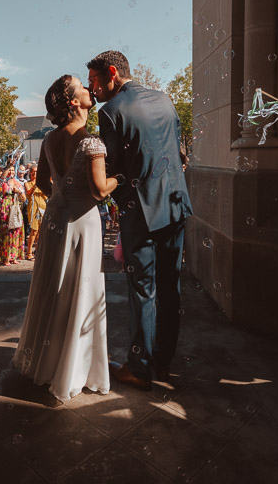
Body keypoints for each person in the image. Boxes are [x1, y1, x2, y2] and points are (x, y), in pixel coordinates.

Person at [88, 50, 192, 391]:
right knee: (169, 288)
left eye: (94, 81)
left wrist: (123, 202)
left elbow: (112, 169)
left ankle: (139, 367)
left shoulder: (112, 111)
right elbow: (180, 154)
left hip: (142, 213)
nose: (93, 89)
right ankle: (163, 362)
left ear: (112, 73)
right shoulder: (164, 99)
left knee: (143, 290)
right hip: (176, 208)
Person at [11, 75, 118, 401]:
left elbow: (42, 183)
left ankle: (45, 361)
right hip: (83, 223)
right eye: (82, 88)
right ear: (74, 102)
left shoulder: (49, 140)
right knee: (79, 291)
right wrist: (123, 176)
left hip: (56, 220)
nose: (89, 89)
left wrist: (65, 193)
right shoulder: (91, 142)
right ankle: (74, 369)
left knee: (52, 288)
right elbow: (101, 190)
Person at [0, 166, 26, 264]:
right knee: (6, 233)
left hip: (15, 208)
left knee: (16, 232)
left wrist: (18, 191)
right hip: (5, 209)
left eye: (13, 170)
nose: (11, 172)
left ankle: (13, 257)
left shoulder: (17, 183)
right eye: (9, 170)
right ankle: (5, 258)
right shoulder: (3, 182)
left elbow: (24, 199)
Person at [25, 163, 48, 260]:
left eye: (37, 172)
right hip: (33, 208)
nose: (35, 173)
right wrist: (35, 185)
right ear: (30, 173)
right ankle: (29, 252)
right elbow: (29, 193)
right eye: (33, 171)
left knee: (40, 231)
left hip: (42, 208)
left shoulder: (42, 183)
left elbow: (46, 194)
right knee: (34, 231)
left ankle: (38, 251)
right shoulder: (27, 183)